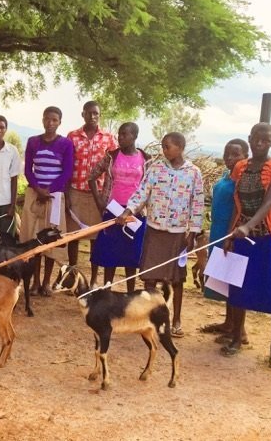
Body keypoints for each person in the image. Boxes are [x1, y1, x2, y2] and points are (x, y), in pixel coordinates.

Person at [221, 123, 271, 369]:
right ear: (249, 139)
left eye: (266, 140)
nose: (260, 143)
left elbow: (270, 202)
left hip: (269, 238)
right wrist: (231, 233)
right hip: (243, 237)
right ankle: (237, 338)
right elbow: (237, 203)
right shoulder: (241, 167)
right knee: (239, 289)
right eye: (256, 139)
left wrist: (248, 226)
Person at [118, 132, 204, 337]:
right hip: (155, 230)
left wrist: (192, 232)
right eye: (163, 146)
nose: (164, 150)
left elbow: (197, 204)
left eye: (168, 147)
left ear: (180, 148)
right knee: (149, 277)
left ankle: (176, 320)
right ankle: (149, 317)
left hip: (178, 234)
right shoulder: (155, 169)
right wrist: (128, 211)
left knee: (176, 280)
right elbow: (142, 192)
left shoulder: (193, 173)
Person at [89, 122, 149, 291]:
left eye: (124, 134)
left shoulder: (145, 159)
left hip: (135, 213)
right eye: (119, 134)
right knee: (110, 254)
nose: (120, 137)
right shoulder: (111, 157)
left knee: (131, 255)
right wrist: (100, 202)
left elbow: (149, 186)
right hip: (113, 210)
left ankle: (130, 293)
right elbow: (92, 176)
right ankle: (107, 291)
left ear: (134, 137)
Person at [21, 106, 74, 296]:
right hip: (35, 195)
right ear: (42, 120)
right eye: (47, 119)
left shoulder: (66, 144)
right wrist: (38, 189)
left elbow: (67, 172)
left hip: (55, 196)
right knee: (34, 240)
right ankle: (34, 282)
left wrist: (49, 190)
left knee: (51, 239)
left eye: (54, 120)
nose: (50, 123)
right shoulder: (33, 142)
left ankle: (46, 283)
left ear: (59, 122)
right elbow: (28, 170)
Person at [199, 138, 249, 339]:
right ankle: (229, 323)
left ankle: (240, 330)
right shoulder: (226, 175)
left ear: (246, 156)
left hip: (232, 233)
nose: (230, 157)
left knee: (234, 281)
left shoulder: (244, 179)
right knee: (225, 280)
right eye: (227, 153)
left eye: (235, 154)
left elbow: (241, 209)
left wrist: (233, 232)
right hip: (218, 231)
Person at [66, 101, 118, 265]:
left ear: (99, 115)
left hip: (98, 196)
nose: (92, 116)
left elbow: (115, 164)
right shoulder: (72, 136)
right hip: (76, 192)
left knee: (96, 238)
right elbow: (67, 165)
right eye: (89, 113)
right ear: (83, 114)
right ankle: (72, 273)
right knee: (73, 236)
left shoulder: (108, 139)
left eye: (96, 113)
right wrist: (66, 194)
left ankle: (93, 281)